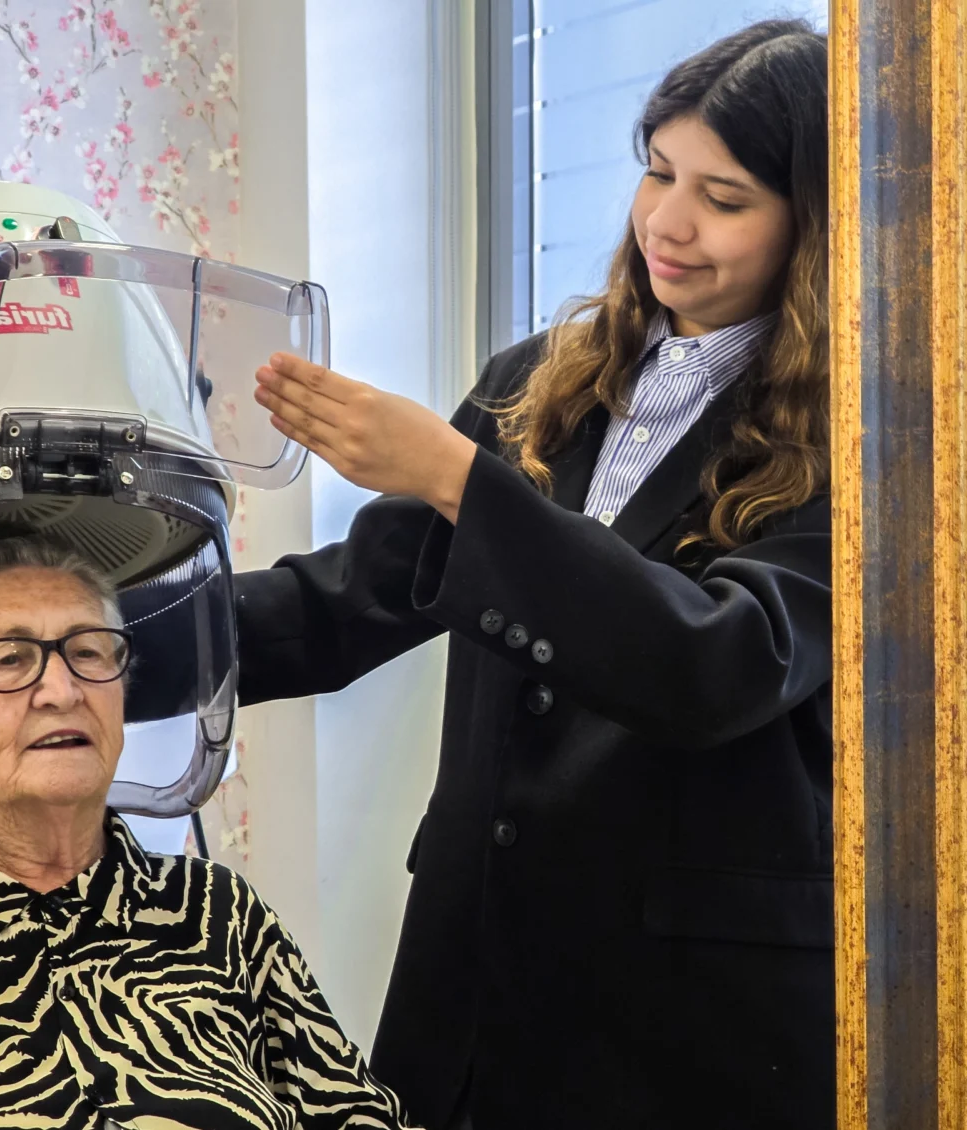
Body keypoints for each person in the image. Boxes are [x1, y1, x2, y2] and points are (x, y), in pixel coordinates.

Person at [232, 19, 833, 1130]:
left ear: (814, 226)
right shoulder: (544, 379)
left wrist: (459, 478)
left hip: (693, 1018)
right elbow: (351, 599)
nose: (669, 223)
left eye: (724, 198)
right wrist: (100, 637)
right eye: (658, 171)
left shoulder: (862, 435)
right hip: (478, 972)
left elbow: (716, 664)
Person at [0, 534, 420, 1130]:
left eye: (89, 652)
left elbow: (361, 1117)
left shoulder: (217, 912)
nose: (63, 691)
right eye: (10, 659)